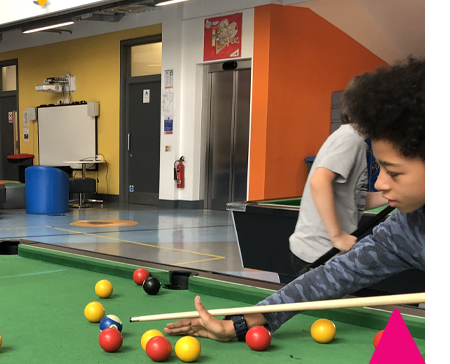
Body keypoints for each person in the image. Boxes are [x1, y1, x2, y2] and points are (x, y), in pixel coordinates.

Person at [165, 57, 424, 341]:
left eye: (394, 173)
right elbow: (331, 277)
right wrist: (238, 324)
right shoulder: (405, 230)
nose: (380, 182)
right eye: (381, 167)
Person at [283, 96, 389, 281]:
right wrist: (337, 236)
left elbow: (357, 200)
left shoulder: (354, 140)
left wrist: (394, 195)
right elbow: (319, 181)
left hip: (327, 254)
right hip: (319, 254)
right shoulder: (350, 139)